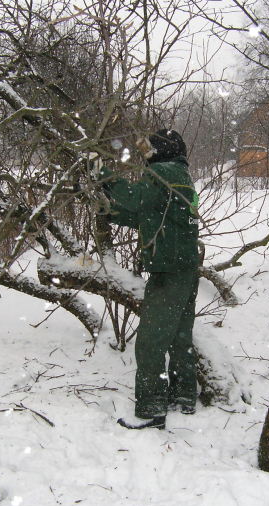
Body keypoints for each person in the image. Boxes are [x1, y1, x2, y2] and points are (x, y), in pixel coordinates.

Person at [100, 129, 200, 430]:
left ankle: (151, 407)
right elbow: (147, 212)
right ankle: (183, 395)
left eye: (149, 151)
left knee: (150, 343)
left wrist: (101, 172)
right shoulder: (180, 174)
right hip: (184, 267)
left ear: (161, 151)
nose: (146, 157)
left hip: (169, 270)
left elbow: (133, 199)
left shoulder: (163, 171)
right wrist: (110, 210)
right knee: (180, 338)